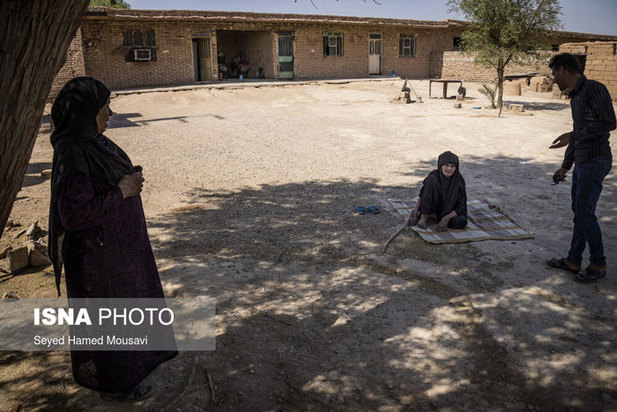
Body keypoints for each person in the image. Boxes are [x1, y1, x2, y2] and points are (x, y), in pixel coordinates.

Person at [48, 77, 177, 400]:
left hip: (118, 251)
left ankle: (127, 375)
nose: (110, 112)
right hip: (99, 260)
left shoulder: (91, 143)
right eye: (105, 105)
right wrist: (122, 190)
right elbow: (73, 216)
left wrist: (126, 181)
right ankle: (116, 385)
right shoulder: (73, 155)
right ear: (86, 111)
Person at [547, 53, 616, 283]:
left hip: (597, 161)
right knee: (580, 213)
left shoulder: (594, 89)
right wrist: (565, 166)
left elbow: (609, 122)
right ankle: (573, 260)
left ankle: (598, 264)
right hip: (583, 162)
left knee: (585, 213)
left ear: (564, 69)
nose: (554, 79)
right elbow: (577, 136)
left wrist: (573, 136)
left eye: (555, 73)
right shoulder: (575, 97)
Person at [409, 151, 468, 232]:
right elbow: (422, 195)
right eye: (446, 165)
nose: (449, 169)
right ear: (440, 166)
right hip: (431, 207)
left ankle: (434, 216)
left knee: (461, 221)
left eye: (452, 166)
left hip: (448, 211)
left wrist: (446, 219)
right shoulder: (434, 175)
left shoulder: (458, 180)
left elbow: (462, 207)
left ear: (456, 168)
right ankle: (424, 217)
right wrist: (415, 213)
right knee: (431, 180)